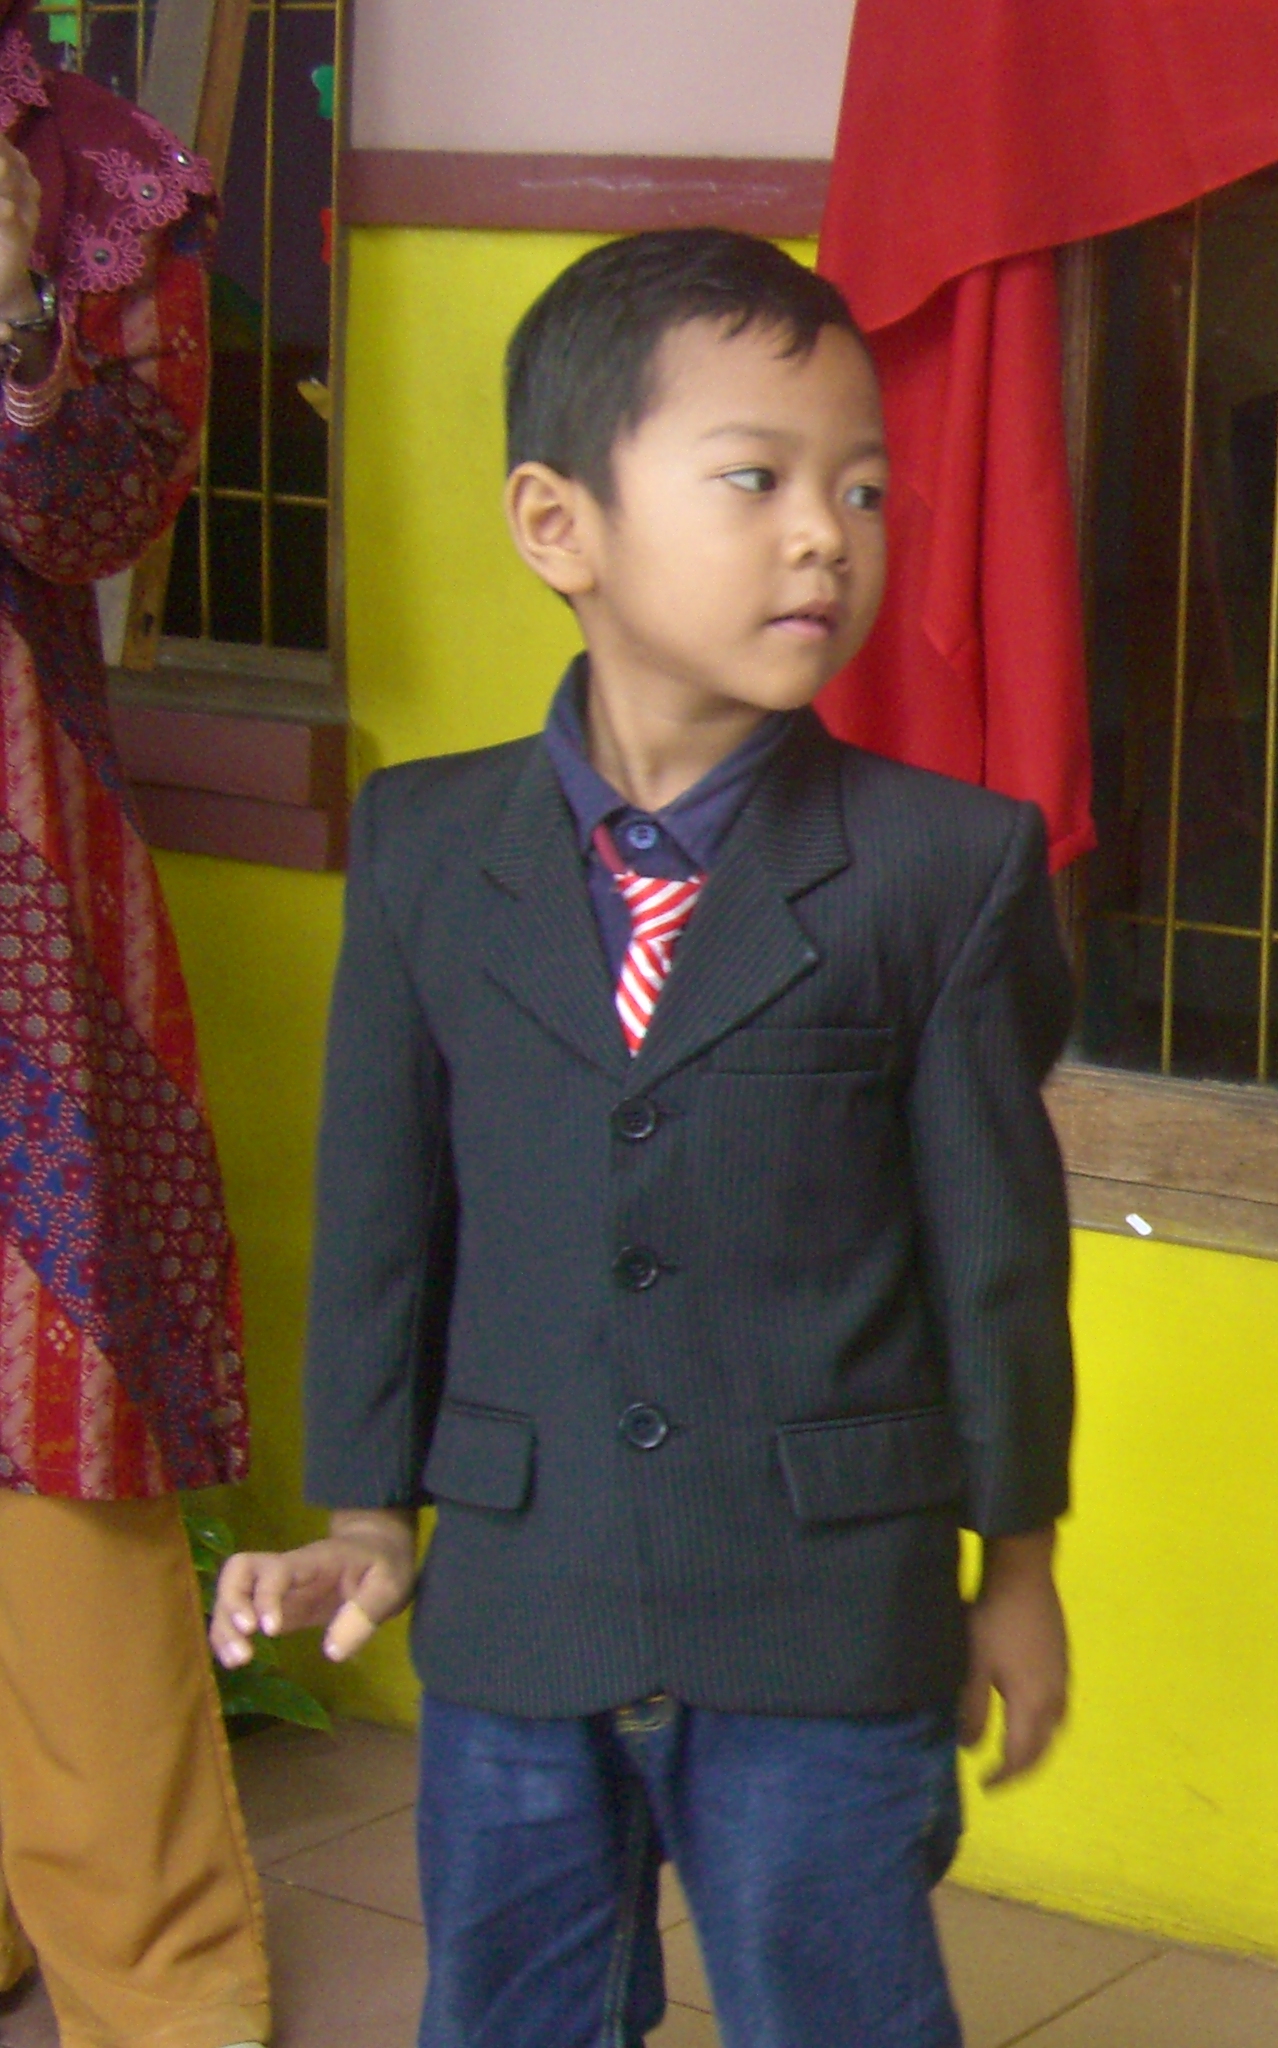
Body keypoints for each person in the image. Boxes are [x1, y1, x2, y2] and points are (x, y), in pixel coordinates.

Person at [205, 229, 1077, 2047]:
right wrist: (368, 1511)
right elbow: (383, 1216)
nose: (827, 534)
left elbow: (994, 1263)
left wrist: (1017, 1569)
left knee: (836, 2011)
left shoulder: (944, 867)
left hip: (822, 1611)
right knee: (510, 2013)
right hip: (519, 1595)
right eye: (756, 479)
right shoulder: (428, 848)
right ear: (559, 525)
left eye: (862, 489)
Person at [0, 6, 272, 2042]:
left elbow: (103, 516)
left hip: (10, 891)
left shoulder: (101, 178)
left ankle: (159, 1983)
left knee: (52, 1402)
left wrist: (16, 311)